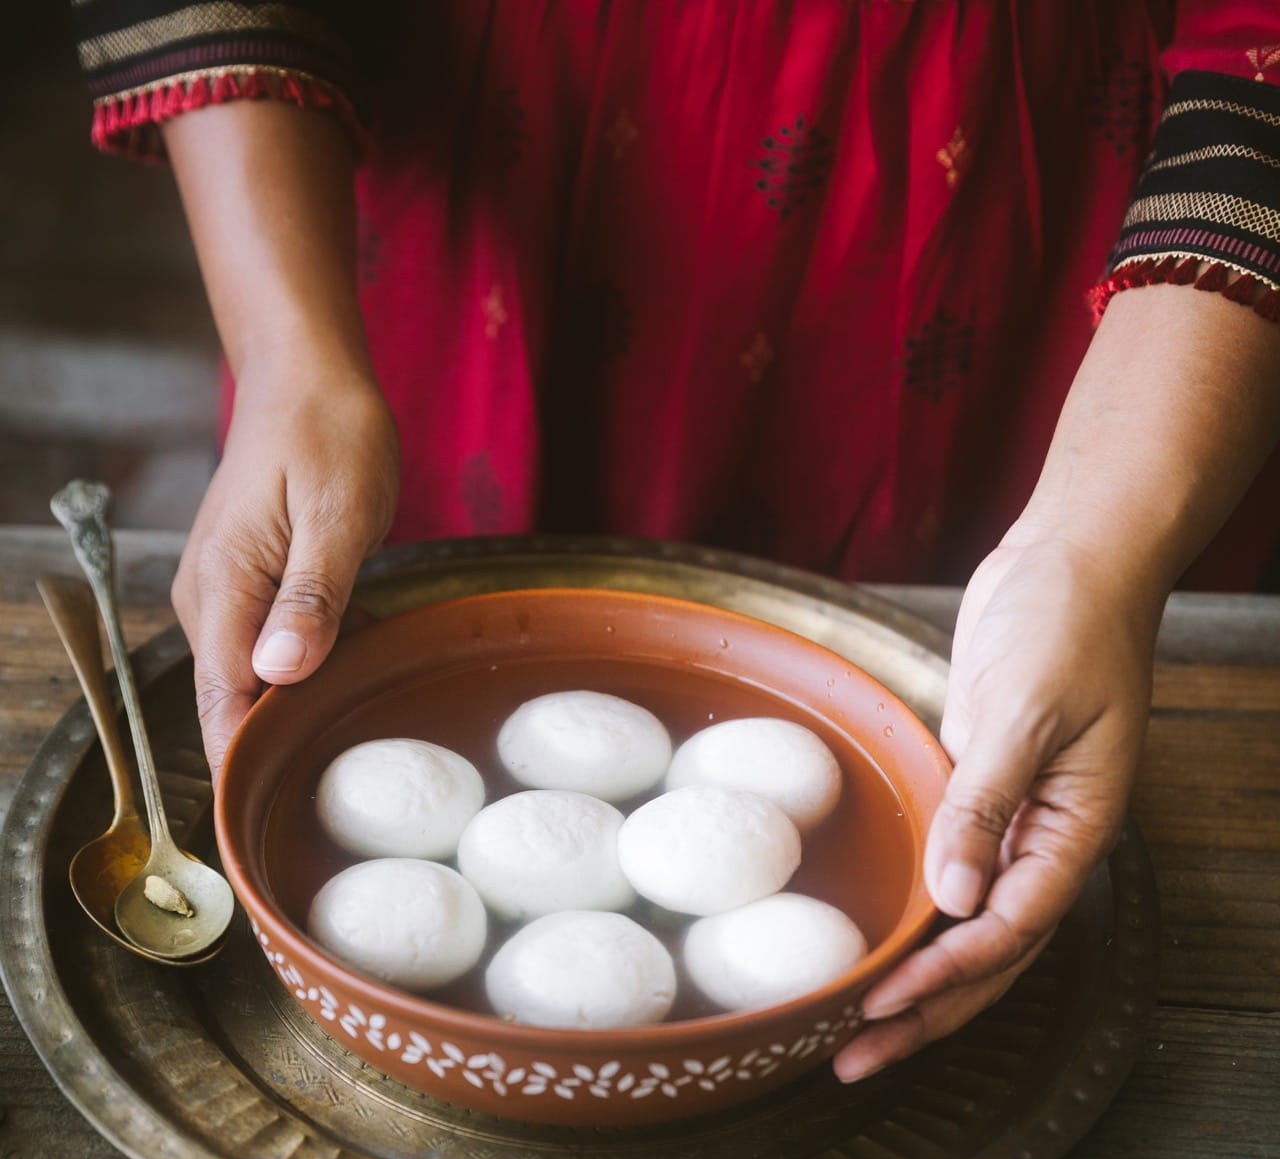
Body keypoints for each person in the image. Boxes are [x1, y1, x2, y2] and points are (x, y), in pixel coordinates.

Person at [76, 3, 1280, 1082]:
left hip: (1014, 201)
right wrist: (293, 363)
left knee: (952, 707)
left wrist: (1084, 549)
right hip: (487, 155)